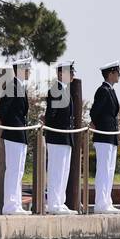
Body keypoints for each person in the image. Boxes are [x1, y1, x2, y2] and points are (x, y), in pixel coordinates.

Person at [0, 57, 31, 214]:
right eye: (27, 68)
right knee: (13, 170)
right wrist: (11, 125)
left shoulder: (20, 86)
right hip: (13, 133)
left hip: (20, 133)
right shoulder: (13, 86)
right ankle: (9, 205)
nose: (29, 71)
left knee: (19, 171)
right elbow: (2, 109)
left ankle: (15, 204)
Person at [43, 60, 76, 215]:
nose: (73, 75)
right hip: (57, 136)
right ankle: (53, 203)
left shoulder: (65, 90)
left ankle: (60, 202)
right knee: (56, 170)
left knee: (64, 170)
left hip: (65, 137)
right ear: (61, 74)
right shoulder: (56, 90)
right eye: (70, 72)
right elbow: (51, 116)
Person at [90, 62, 120, 214]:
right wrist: (97, 126)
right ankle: (100, 203)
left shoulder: (111, 91)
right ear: (110, 73)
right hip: (103, 135)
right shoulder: (103, 91)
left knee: (109, 170)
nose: (119, 75)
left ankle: (107, 202)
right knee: (103, 170)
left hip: (111, 136)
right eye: (117, 72)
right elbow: (94, 112)